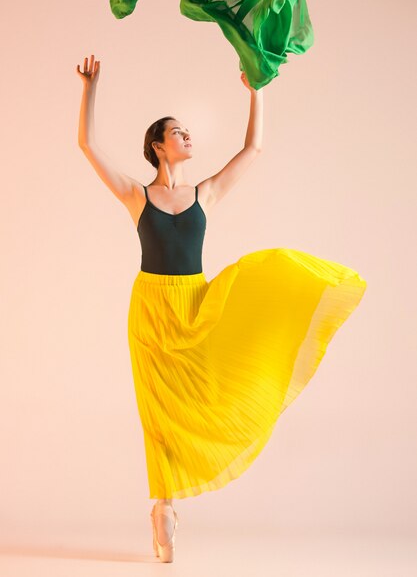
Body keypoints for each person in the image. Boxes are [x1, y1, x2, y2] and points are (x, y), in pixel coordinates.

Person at [76, 54, 367, 562]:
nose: (187, 137)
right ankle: (162, 506)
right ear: (157, 145)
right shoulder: (136, 195)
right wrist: (90, 88)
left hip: (196, 302)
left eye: (188, 131)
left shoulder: (203, 194)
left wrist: (257, 87)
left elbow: (254, 147)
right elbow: (87, 145)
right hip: (150, 311)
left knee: (203, 395)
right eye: (178, 132)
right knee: (158, 412)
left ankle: (169, 500)